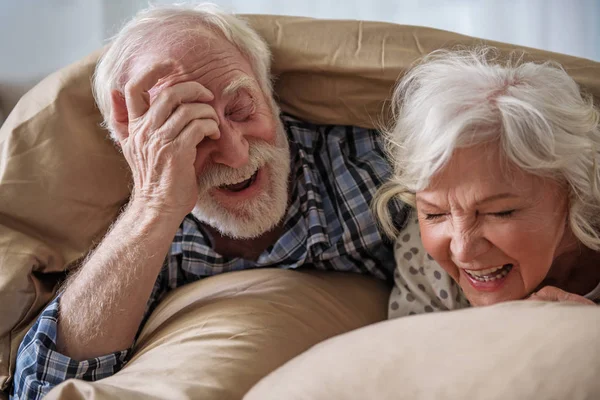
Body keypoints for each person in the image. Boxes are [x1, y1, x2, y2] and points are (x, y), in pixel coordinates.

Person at [11, 4, 405, 399]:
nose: (234, 156)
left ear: (271, 94)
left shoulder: (371, 164)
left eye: (241, 109)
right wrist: (153, 206)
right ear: (138, 147)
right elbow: (41, 388)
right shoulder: (147, 235)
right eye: (190, 131)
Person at [373, 46, 600, 319]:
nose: (462, 250)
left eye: (498, 212)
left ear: (574, 191)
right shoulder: (423, 258)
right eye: (434, 214)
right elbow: (410, 358)